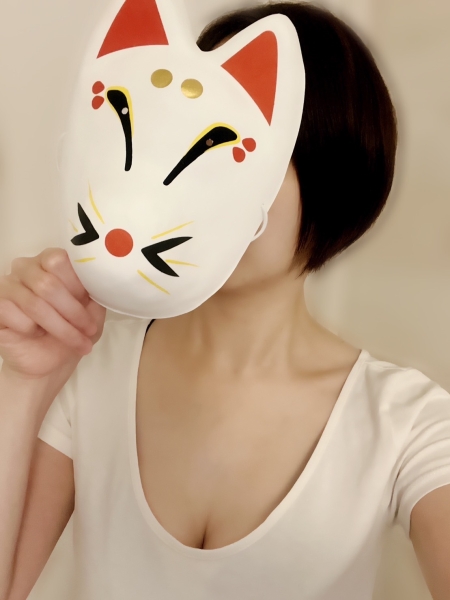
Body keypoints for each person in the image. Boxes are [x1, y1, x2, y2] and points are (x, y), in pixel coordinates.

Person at [1, 2, 450, 599]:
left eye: (227, 153)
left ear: (333, 182)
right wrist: (25, 377)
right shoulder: (91, 365)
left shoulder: (406, 423)